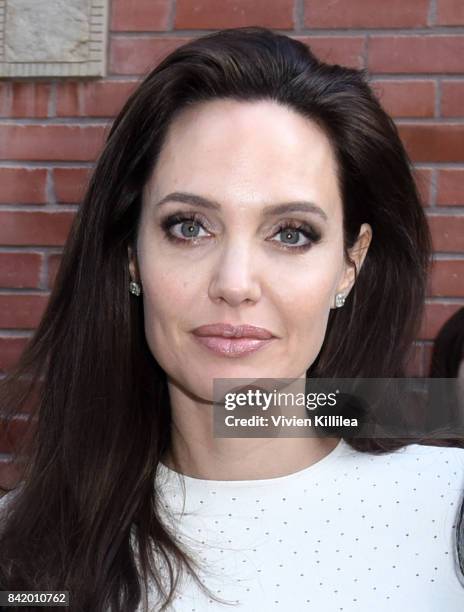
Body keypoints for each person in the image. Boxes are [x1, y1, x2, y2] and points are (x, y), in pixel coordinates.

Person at [0, 25, 463, 612]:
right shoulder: (20, 556)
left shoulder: (451, 505)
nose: (235, 284)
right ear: (130, 256)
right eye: (189, 226)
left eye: (292, 234)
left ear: (350, 264)